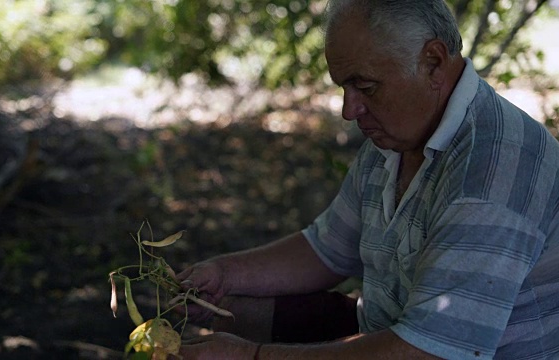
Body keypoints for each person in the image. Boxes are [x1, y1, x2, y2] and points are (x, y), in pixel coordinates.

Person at [173, 0, 559, 358]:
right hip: (385, 328)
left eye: (367, 87)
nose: (348, 110)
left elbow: (431, 352)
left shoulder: (492, 168)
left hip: (435, 350)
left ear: (434, 61)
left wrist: (253, 357)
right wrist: (223, 275)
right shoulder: (396, 138)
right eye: (344, 87)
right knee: (218, 306)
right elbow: (328, 248)